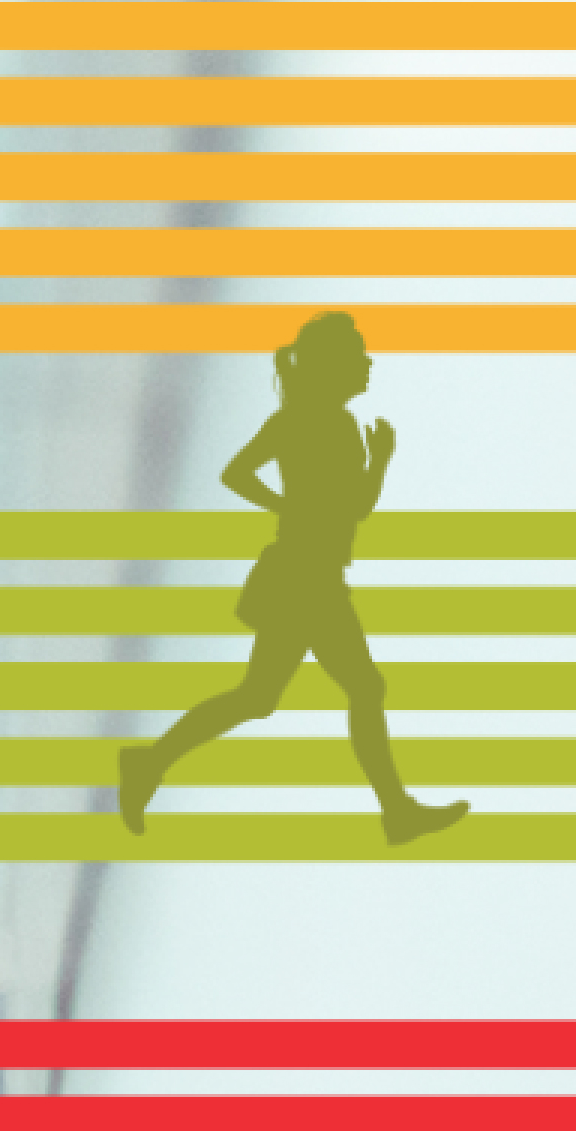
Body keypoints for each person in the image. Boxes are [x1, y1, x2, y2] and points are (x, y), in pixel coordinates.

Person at [118, 309, 467, 846]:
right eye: (357, 357)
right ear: (333, 367)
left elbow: (353, 510)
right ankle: (395, 811)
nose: (367, 365)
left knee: (263, 696)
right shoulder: (300, 419)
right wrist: (285, 504)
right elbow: (237, 470)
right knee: (351, 689)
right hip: (302, 577)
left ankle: (150, 763)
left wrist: (379, 463)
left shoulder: (343, 424)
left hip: (317, 575)